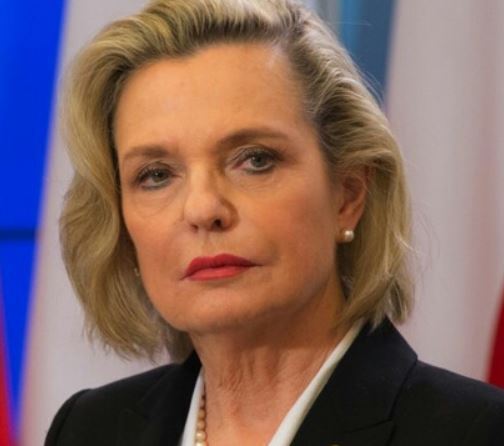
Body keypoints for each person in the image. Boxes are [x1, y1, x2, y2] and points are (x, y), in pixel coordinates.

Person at [45, 0, 504, 445]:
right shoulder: (88, 430)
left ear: (348, 194)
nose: (203, 209)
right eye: (156, 175)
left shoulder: (477, 432)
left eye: (255, 160)